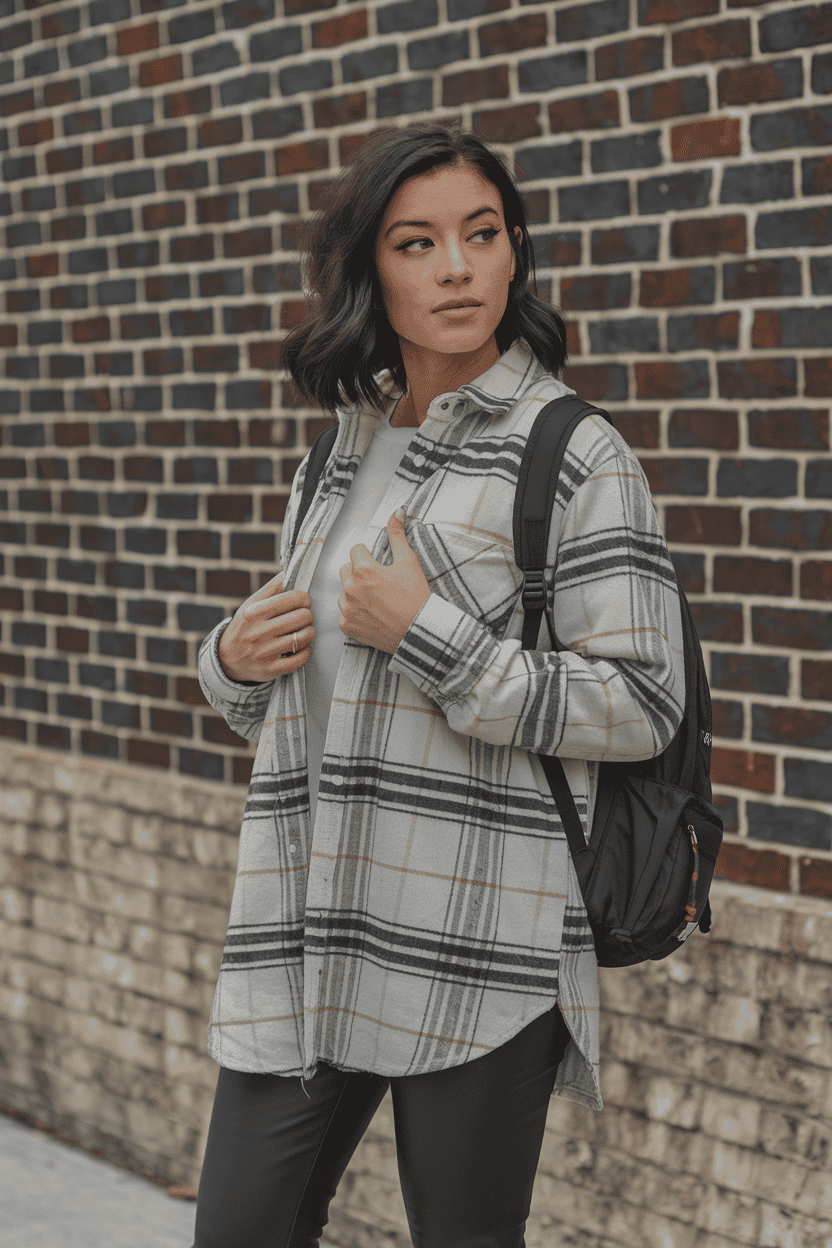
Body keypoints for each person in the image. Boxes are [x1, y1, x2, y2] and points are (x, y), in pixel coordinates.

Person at [192, 121, 685, 1248]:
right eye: (417, 243)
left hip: (474, 935)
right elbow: (294, 693)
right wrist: (230, 657)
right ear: (372, 266)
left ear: (514, 251)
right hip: (306, 932)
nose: (456, 267)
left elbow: (642, 701)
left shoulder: (576, 452)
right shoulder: (339, 448)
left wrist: (431, 634)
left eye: (480, 234)